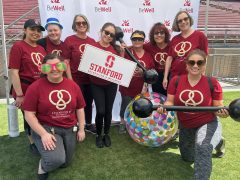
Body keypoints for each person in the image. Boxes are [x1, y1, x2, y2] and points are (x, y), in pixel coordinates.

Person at [157, 49, 228, 180]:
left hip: (207, 122)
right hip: (186, 125)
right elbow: (170, 101)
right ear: (186, 64)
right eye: (192, 62)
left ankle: (214, 141)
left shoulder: (212, 82)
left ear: (204, 65)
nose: (195, 66)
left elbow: (218, 106)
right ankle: (218, 140)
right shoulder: (176, 81)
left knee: (203, 147)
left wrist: (222, 112)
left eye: (199, 63)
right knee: (188, 158)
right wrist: (165, 107)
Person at [22, 53, 86, 180]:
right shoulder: (35, 88)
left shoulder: (73, 86)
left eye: (58, 65)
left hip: (69, 128)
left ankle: (54, 150)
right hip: (47, 128)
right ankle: (42, 166)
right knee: (56, 160)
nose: (54, 69)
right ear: (44, 69)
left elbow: (80, 108)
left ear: (63, 67)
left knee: (65, 163)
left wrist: (81, 129)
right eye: (49, 67)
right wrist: (43, 134)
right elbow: (29, 114)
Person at [8, 19, 46, 154]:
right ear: (25, 30)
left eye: (38, 30)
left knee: (39, 116)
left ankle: (41, 137)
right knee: (29, 115)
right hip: (24, 88)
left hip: (39, 88)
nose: (35, 33)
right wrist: (19, 95)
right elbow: (14, 71)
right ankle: (32, 142)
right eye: (32, 29)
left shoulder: (41, 49)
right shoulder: (18, 46)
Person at [90, 22, 121, 148]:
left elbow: (120, 68)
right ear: (101, 31)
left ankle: (106, 133)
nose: (108, 36)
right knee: (101, 110)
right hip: (96, 83)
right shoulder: (92, 47)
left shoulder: (116, 49)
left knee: (108, 110)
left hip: (111, 84)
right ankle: (98, 134)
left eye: (111, 35)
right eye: (106, 32)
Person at [64, 14, 96, 134]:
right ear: (74, 26)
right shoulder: (69, 40)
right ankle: (75, 125)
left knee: (88, 102)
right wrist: (70, 80)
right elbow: (66, 61)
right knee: (76, 103)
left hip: (90, 79)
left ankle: (88, 124)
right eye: (78, 23)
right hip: (76, 79)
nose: (81, 25)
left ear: (87, 24)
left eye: (84, 22)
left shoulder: (92, 41)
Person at [119, 30, 155, 134]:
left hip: (142, 87)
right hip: (127, 86)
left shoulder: (148, 55)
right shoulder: (127, 51)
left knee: (141, 107)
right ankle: (122, 124)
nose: (137, 41)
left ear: (144, 40)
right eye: (134, 39)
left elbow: (151, 72)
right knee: (125, 105)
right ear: (131, 40)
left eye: (140, 39)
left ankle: (137, 124)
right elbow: (119, 65)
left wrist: (144, 75)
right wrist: (122, 52)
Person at [162, 10, 208, 90]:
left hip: (192, 76)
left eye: (185, 19)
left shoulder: (200, 36)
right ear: (177, 24)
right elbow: (169, 59)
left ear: (189, 20)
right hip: (175, 76)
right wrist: (165, 77)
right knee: (174, 100)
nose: (183, 22)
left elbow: (205, 57)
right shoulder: (175, 39)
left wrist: (202, 74)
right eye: (180, 21)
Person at [143, 22, 171, 96]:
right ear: (153, 35)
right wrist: (126, 47)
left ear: (166, 34)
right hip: (156, 77)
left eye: (162, 33)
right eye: (156, 33)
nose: (159, 35)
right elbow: (137, 45)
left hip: (170, 76)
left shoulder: (171, 45)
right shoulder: (149, 46)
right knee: (159, 99)